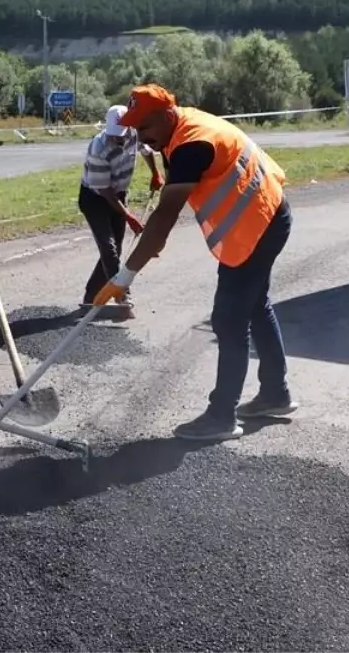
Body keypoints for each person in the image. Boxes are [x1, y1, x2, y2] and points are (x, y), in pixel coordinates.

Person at [92, 84, 297, 441]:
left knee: (228, 318)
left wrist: (124, 276)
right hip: (268, 213)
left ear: (167, 115)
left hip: (259, 223)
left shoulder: (191, 145)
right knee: (255, 306)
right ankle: (275, 395)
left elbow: (162, 221)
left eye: (145, 128)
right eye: (136, 130)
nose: (142, 138)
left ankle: (221, 415)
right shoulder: (182, 126)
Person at [78, 104, 163, 312]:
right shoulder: (98, 148)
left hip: (119, 194)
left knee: (113, 249)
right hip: (95, 198)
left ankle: (91, 296)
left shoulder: (135, 132)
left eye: (122, 134)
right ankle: (122, 294)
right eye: (115, 134)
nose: (118, 138)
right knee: (108, 248)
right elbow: (105, 192)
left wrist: (155, 173)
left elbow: (146, 150)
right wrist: (129, 217)